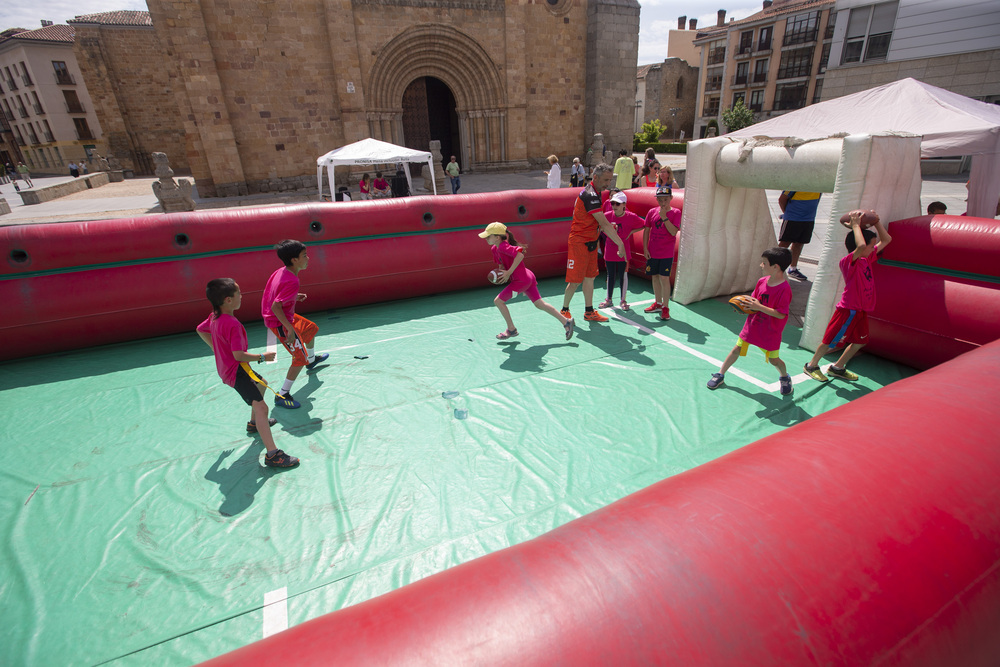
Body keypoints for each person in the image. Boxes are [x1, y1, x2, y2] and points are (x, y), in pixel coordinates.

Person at [196, 278, 299, 468]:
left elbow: (200, 330)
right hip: (236, 372)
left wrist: (217, 349)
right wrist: (263, 357)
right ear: (228, 300)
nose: (241, 296)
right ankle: (272, 455)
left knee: (261, 384)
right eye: (238, 293)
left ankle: (254, 424)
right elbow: (238, 355)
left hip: (232, 369)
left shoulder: (213, 317)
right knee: (262, 407)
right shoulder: (232, 324)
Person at [804, 212, 892, 382]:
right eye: (871, 245)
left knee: (860, 342)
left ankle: (838, 367)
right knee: (830, 340)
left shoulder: (867, 258)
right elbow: (859, 246)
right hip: (848, 310)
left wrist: (877, 222)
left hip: (861, 310)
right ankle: (811, 365)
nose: (874, 248)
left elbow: (887, 240)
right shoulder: (848, 261)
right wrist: (856, 225)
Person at [707, 248, 794, 395]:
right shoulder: (761, 281)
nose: (761, 265)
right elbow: (753, 302)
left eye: (764, 263)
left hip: (770, 332)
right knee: (736, 349)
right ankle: (720, 374)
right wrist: (743, 307)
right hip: (752, 326)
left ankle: (785, 377)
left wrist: (758, 307)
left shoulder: (784, 289)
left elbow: (780, 315)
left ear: (775, 267)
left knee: (774, 360)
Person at [261, 239, 330, 409]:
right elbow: (276, 306)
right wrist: (289, 329)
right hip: (280, 321)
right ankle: (282, 394)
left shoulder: (281, 271)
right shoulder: (292, 280)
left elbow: (275, 294)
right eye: (304, 255)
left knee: (311, 329)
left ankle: (311, 360)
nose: (308, 258)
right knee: (299, 358)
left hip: (282, 316)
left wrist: (293, 296)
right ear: (294, 260)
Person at [480, 221, 575, 341]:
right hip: (527, 276)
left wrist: (508, 273)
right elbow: (501, 265)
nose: (486, 238)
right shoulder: (495, 248)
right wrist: (500, 274)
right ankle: (566, 322)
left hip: (521, 281)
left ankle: (511, 329)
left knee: (498, 301)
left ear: (497, 237)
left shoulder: (504, 246)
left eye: (488, 236)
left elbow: (520, 255)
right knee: (540, 304)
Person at [560, 163, 627, 323]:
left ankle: (589, 311)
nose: (608, 183)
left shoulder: (596, 193)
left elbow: (597, 222)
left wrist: (604, 227)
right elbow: (603, 224)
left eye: (610, 180)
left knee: (590, 277)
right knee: (575, 280)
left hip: (590, 241)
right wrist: (620, 243)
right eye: (605, 179)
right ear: (595, 177)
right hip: (579, 243)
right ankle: (564, 310)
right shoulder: (590, 194)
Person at [598, 191, 644, 311]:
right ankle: (609, 299)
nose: (614, 206)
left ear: (624, 204)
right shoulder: (607, 215)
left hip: (624, 251)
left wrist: (630, 233)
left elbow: (644, 224)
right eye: (612, 203)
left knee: (623, 274)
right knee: (610, 274)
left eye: (617, 204)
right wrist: (605, 231)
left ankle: (623, 300)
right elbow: (599, 226)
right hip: (610, 249)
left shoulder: (631, 216)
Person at [643, 185, 681, 321]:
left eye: (665, 199)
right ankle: (658, 303)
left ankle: (666, 307)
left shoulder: (676, 213)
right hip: (653, 252)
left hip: (666, 253)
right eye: (660, 200)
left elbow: (673, 232)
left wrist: (664, 217)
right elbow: (647, 230)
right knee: (654, 277)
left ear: (670, 198)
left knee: (664, 278)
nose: (662, 202)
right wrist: (645, 248)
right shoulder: (652, 212)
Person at [777, 190, 821, 281]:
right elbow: (782, 199)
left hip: (809, 219)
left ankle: (793, 269)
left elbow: (818, 198)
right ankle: (774, 267)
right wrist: (787, 213)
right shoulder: (796, 182)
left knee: (799, 243)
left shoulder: (819, 184)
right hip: (793, 218)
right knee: (784, 244)